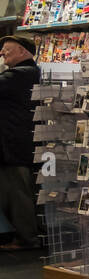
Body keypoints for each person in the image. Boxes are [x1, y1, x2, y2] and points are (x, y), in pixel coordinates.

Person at [0, 32, 40, 250]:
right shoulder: (33, 73)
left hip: (14, 147)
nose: (2, 53)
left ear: (23, 52)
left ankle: (27, 240)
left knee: (18, 194)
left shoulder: (17, 75)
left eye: (7, 49)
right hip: (22, 145)